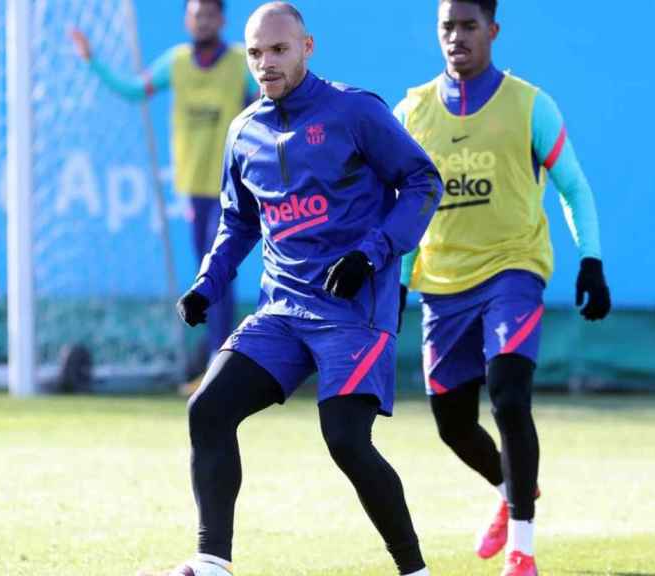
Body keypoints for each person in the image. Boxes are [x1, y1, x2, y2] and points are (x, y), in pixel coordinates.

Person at [148, 3, 443, 575]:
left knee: (345, 440)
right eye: (255, 53)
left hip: (355, 311)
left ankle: (415, 571)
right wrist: (206, 286)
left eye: (278, 50)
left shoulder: (355, 111)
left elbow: (422, 180)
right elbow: (238, 222)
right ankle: (212, 564)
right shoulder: (244, 130)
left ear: (308, 47)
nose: (266, 63)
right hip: (282, 312)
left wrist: (371, 253)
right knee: (207, 410)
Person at [395, 1, 612, 575]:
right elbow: (406, 207)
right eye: (447, 27)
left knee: (510, 396)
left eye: (469, 26)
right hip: (441, 285)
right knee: (453, 425)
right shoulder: (411, 112)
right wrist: (395, 283)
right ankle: (514, 487)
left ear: (493, 31)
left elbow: (575, 187)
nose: (457, 37)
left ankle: (522, 550)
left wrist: (590, 259)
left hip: (513, 270)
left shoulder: (530, 105)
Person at [71, 0, 258, 383]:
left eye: (209, 15)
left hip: (234, 188)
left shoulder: (242, 63)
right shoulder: (177, 63)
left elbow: (269, 98)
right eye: (196, 15)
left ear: (221, 20)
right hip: (194, 187)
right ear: (187, 21)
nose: (202, 21)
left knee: (217, 271)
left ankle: (219, 365)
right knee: (209, 272)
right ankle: (218, 362)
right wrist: (93, 62)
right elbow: (133, 89)